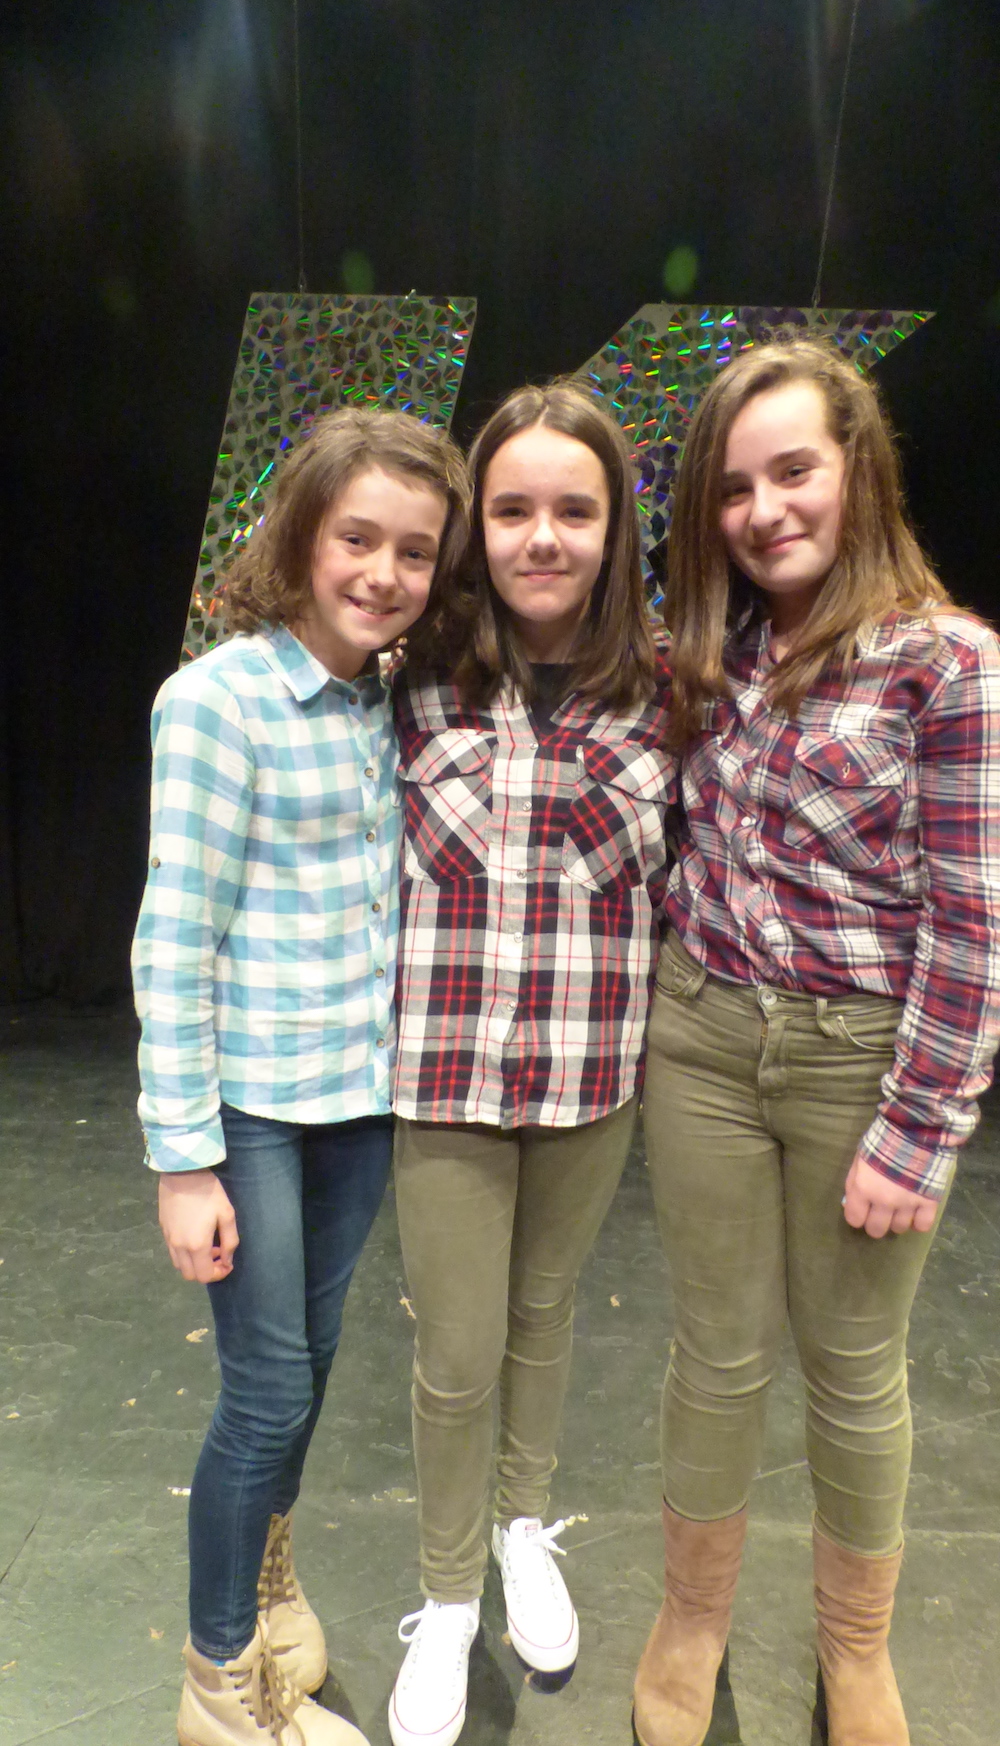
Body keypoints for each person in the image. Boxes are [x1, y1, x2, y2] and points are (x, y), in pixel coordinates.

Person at [632, 339, 1000, 1746]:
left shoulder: (947, 663)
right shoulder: (705, 651)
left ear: (858, 469)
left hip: (862, 1059)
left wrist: (920, 1127)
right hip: (704, 1039)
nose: (764, 510)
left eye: (794, 472)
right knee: (714, 1353)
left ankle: (856, 1649)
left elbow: (973, 921)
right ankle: (693, 1617)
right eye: (734, 488)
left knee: (854, 1367)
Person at [132, 407, 469, 1746]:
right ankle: (220, 1679)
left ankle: (270, 1586)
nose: (384, 573)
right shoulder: (220, 702)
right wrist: (184, 1159)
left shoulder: (387, 700)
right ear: (301, 537)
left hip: (356, 1104)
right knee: (265, 1393)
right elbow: (176, 935)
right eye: (356, 539)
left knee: (309, 1377)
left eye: (413, 551)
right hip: (254, 1112)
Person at [384, 381, 673, 1746]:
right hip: (442, 1074)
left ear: (616, 528)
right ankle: (447, 1598)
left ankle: (521, 1526)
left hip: (587, 1075)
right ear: (474, 526)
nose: (542, 536)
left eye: (574, 509)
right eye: (511, 509)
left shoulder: (672, 690)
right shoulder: (412, 675)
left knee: (544, 1314)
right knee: (455, 1350)